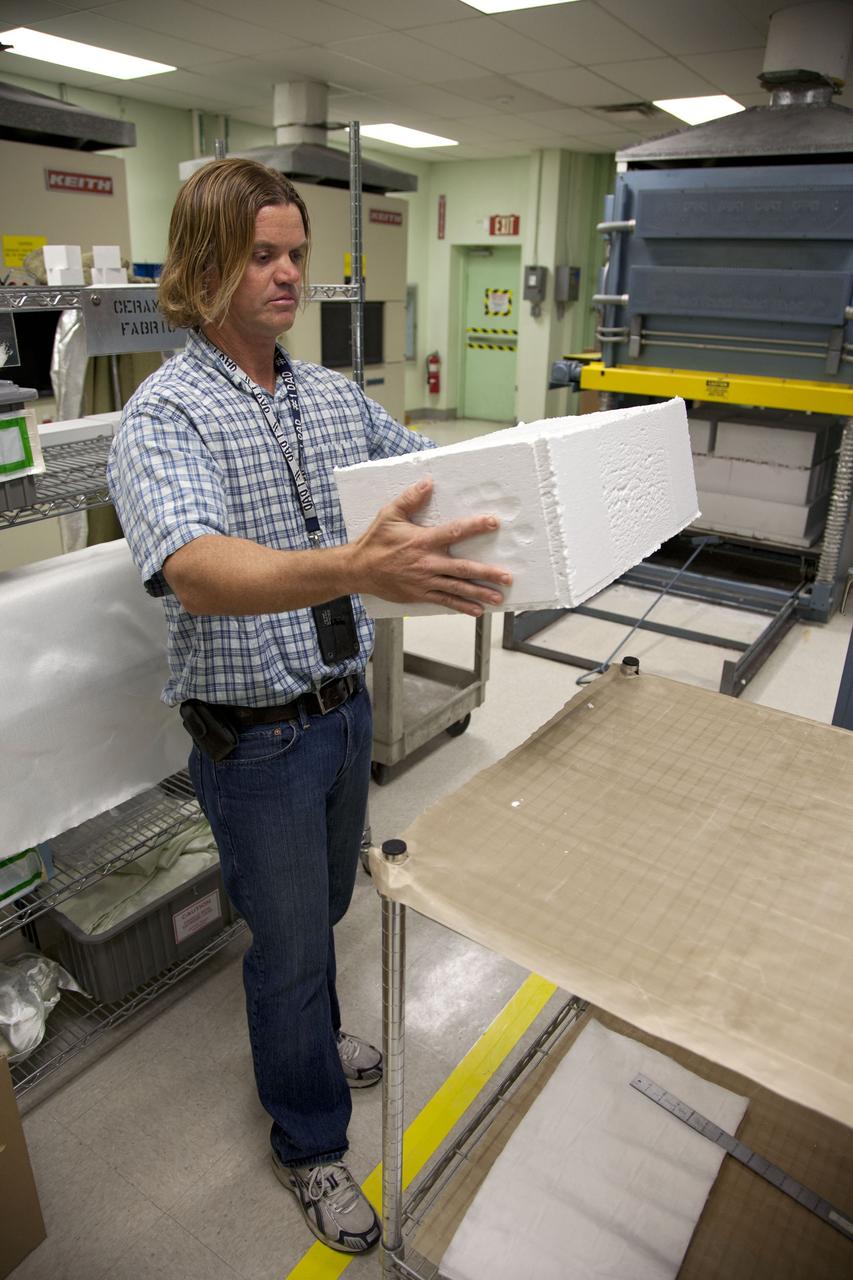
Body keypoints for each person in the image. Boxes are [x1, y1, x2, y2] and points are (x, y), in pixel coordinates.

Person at [107, 158, 511, 1256]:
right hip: (257, 740)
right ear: (204, 265)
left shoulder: (330, 396)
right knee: (287, 946)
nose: (292, 275)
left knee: (326, 906)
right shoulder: (164, 413)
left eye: (297, 254)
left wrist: (530, 487)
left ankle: (315, 1043)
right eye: (265, 255)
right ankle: (311, 1141)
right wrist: (347, 564)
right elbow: (194, 567)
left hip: (338, 713)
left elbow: (429, 478)